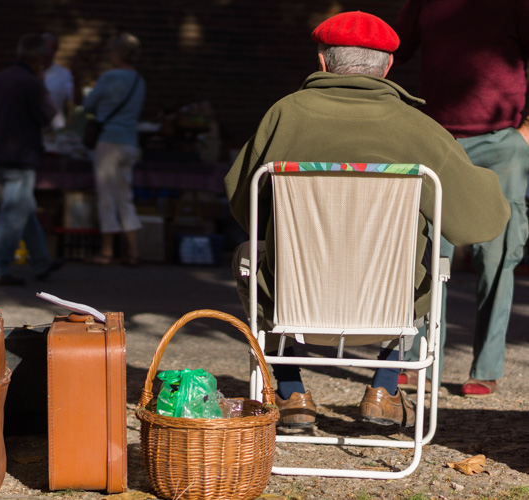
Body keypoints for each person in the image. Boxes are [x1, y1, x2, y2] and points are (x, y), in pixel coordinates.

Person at [224, 11, 510, 428]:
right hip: (389, 304)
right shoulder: (418, 128)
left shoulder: (284, 115)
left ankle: (290, 392)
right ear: (388, 67)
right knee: (425, 259)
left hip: (295, 296)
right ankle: (383, 386)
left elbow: (242, 201)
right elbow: (478, 223)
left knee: (250, 254)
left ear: (322, 60)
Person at [393, 1, 529, 398]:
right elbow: (394, 52)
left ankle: (486, 367)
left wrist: (526, 130)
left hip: (502, 143)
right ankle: (418, 357)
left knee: (498, 255)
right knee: (428, 253)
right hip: (438, 141)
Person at [0, 33, 62, 285]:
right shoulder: (31, 83)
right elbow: (53, 119)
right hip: (21, 157)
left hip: (1, 155)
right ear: (38, 58)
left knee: (23, 210)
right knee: (14, 213)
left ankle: (41, 262)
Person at [83, 32, 146, 266]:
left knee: (106, 197)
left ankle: (107, 251)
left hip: (109, 141)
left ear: (117, 53)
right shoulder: (139, 80)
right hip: (130, 142)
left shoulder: (110, 77)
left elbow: (88, 104)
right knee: (125, 196)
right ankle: (133, 251)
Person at [41, 32, 74, 131]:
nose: (46, 52)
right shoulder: (27, 73)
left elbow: (73, 102)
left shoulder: (64, 74)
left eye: (50, 49)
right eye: (44, 48)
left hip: (55, 129)